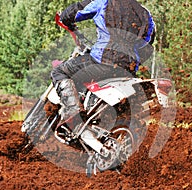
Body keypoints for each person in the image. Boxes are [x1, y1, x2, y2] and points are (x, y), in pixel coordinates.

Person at [50, 0, 156, 128]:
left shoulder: (104, 2)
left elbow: (74, 12)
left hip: (104, 59)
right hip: (129, 68)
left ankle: (73, 110)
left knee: (59, 72)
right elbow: (148, 43)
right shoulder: (145, 13)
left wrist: (64, 18)